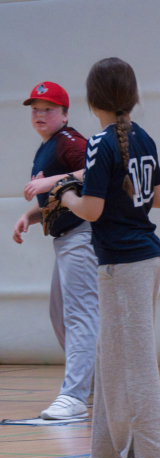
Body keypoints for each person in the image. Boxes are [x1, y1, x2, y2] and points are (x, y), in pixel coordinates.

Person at [60, 58, 160, 458]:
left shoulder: (99, 143)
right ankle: (106, 452)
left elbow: (91, 210)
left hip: (125, 264)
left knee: (133, 363)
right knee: (111, 358)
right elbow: (159, 199)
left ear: (93, 100)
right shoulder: (144, 137)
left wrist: (66, 195)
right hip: (140, 259)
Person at [13, 81, 98, 421]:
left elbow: (97, 171)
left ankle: (75, 395)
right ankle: (94, 386)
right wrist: (30, 216)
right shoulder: (47, 146)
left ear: (64, 114)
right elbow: (60, 195)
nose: (40, 114)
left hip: (82, 235)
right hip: (65, 239)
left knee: (79, 315)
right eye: (35, 109)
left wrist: (51, 181)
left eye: (48, 109)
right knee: (60, 314)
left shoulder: (69, 141)